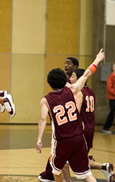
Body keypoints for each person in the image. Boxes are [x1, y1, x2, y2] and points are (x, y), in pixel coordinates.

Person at [36, 49, 105, 182]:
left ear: (49, 83)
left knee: (56, 171)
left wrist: (39, 139)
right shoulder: (72, 91)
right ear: (64, 80)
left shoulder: (46, 100)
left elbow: (43, 119)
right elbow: (86, 74)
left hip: (62, 141)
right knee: (86, 174)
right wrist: (97, 59)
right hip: (79, 138)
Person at [38, 56, 79, 182]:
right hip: (74, 130)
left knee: (63, 162)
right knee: (64, 160)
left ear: (76, 67)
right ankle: (49, 173)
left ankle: (101, 166)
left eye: (69, 63)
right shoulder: (67, 85)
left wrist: (39, 139)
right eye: (65, 63)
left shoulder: (71, 87)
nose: (66, 65)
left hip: (72, 128)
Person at [69, 69, 114, 182]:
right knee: (76, 158)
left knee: (72, 159)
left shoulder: (79, 93)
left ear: (80, 78)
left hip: (81, 130)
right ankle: (104, 167)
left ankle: (101, 167)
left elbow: (76, 112)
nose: (70, 78)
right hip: (90, 129)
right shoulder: (90, 91)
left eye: (73, 76)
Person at [103, 63, 115, 134]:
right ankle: (106, 127)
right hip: (113, 98)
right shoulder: (111, 77)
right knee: (112, 112)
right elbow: (109, 88)